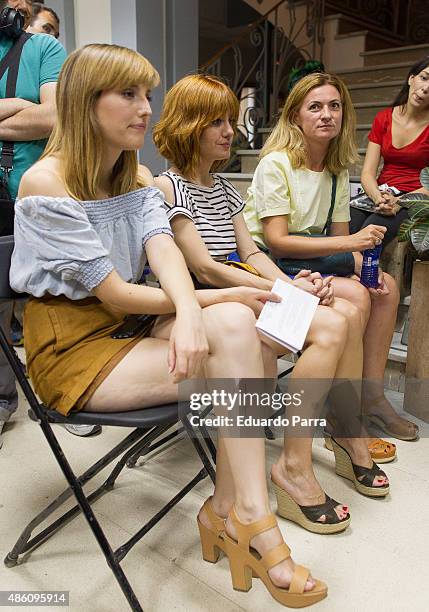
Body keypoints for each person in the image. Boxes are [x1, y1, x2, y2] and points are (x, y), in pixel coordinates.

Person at [10, 43, 329, 607]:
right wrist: (193, 308)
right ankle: (239, 515)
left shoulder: (135, 178)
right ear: (87, 103)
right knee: (241, 341)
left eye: (148, 96)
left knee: (235, 324)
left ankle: (238, 510)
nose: (145, 109)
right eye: (129, 95)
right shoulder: (45, 182)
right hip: (75, 349)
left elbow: (168, 257)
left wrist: (189, 309)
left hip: (132, 326)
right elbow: (113, 291)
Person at [153, 73, 390, 536]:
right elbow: (203, 266)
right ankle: (298, 465)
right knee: (331, 325)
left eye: (230, 121)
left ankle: (301, 458)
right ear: (188, 126)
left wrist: (289, 283)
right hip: (204, 302)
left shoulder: (223, 189)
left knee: (340, 319)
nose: (230, 131)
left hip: (241, 289)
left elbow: (254, 252)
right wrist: (279, 292)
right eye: (216, 122)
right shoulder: (167, 187)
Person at [243, 72, 418, 443]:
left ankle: (371, 397)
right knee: (354, 298)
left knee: (384, 289)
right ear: (296, 117)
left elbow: (339, 240)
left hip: (312, 256)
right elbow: (277, 241)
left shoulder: (337, 171)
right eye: (316, 106)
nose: (327, 115)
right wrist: (352, 248)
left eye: (334, 106)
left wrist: (362, 267)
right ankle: (343, 413)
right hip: (267, 261)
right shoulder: (277, 164)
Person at [0, 0, 66, 448]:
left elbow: (54, 116)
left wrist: (27, 109)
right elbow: (34, 116)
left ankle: (62, 393)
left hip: (34, 193)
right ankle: (4, 401)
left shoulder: (42, 48)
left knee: (52, 294)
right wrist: (13, 107)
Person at [353, 56, 429, 247]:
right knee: (344, 226)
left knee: (371, 232)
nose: (426, 88)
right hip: (382, 193)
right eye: (424, 77)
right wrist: (379, 198)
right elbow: (368, 173)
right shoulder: (384, 118)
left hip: (416, 196)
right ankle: (340, 275)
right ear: (411, 78)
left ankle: (360, 275)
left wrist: (399, 201)